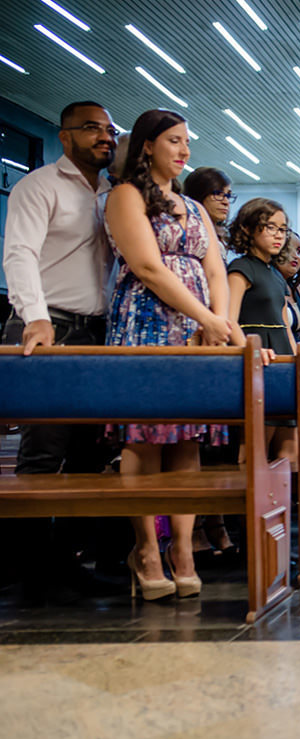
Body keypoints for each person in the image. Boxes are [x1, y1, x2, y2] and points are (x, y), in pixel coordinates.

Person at [105, 109, 235, 601]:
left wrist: (219, 323)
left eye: (187, 141)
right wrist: (207, 318)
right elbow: (147, 266)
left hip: (199, 328)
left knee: (188, 441)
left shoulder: (194, 207)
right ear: (146, 146)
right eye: (174, 140)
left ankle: (183, 549)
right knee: (144, 439)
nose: (183, 150)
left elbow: (216, 270)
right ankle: (147, 550)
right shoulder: (126, 196)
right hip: (146, 323)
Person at [2, 100, 118, 600]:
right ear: (64, 136)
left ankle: (70, 562)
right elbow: (19, 253)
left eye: (109, 130)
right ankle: (31, 568)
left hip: (98, 332)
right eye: (91, 128)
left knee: (90, 454)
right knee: (44, 452)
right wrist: (36, 318)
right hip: (50, 326)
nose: (104, 137)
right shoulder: (38, 186)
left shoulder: (116, 194)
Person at [227, 198, 298, 463]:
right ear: (248, 228)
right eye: (270, 227)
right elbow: (229, 319)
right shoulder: (241, 268)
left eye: (283, 229)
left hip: (282, 358)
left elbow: (285, 325)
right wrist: (250, 351)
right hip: (260, 358)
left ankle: (288, 504)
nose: (278, 235)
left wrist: (295, 363)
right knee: (255, 447)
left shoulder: (276, 274)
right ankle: (246, 503)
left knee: (290, 448)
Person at [182, 167, 233, 262]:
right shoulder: (186, 236)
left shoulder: (219, 236)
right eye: (218, 193)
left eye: (228, 195)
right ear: (198, 195)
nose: (226, 202)